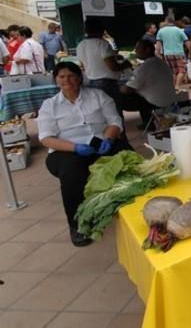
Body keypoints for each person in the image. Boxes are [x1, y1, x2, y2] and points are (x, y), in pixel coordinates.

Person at [37, 62, 128, 247]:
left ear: (79, 77)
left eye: (71, 76)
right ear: (56, 80)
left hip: (100, 141)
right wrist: (75, 148)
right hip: (66, 148)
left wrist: (109, 139)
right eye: (62, 77)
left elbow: (115, 121)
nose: (67, 80)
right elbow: (46, 138)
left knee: (128, 159)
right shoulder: (50, 106)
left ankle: (132, 209)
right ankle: (78, 224)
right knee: (71, 174)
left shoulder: (98, 96)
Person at [76, 18, 131, 113]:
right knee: (114, 113)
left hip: (91, 82)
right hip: (107, 85)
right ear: (101, 29)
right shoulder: (103, 44)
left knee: (101, 114)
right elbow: (113, 66)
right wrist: (125, 65)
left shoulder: (80, 45)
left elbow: (83, 66)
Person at [120, 40, 176, 129]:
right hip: (170, 99)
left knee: (118, 97)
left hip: (156, 103)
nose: (136, 51)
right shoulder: (161, 62)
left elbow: (126, 89)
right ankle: (148, 121)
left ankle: (147, 124)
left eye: (138, 48)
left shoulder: (144, 67)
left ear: (147, 50)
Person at [156, 16, 190, 90]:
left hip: (167, 54)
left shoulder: (161, 31)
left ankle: (172, 87)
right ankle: (177, 86)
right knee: (182, 70)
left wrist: (158, 54)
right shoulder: (179, 30)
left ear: (166, 21)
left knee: (172, 72)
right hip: (179, 53)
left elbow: (158, 45)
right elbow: (187, 42)